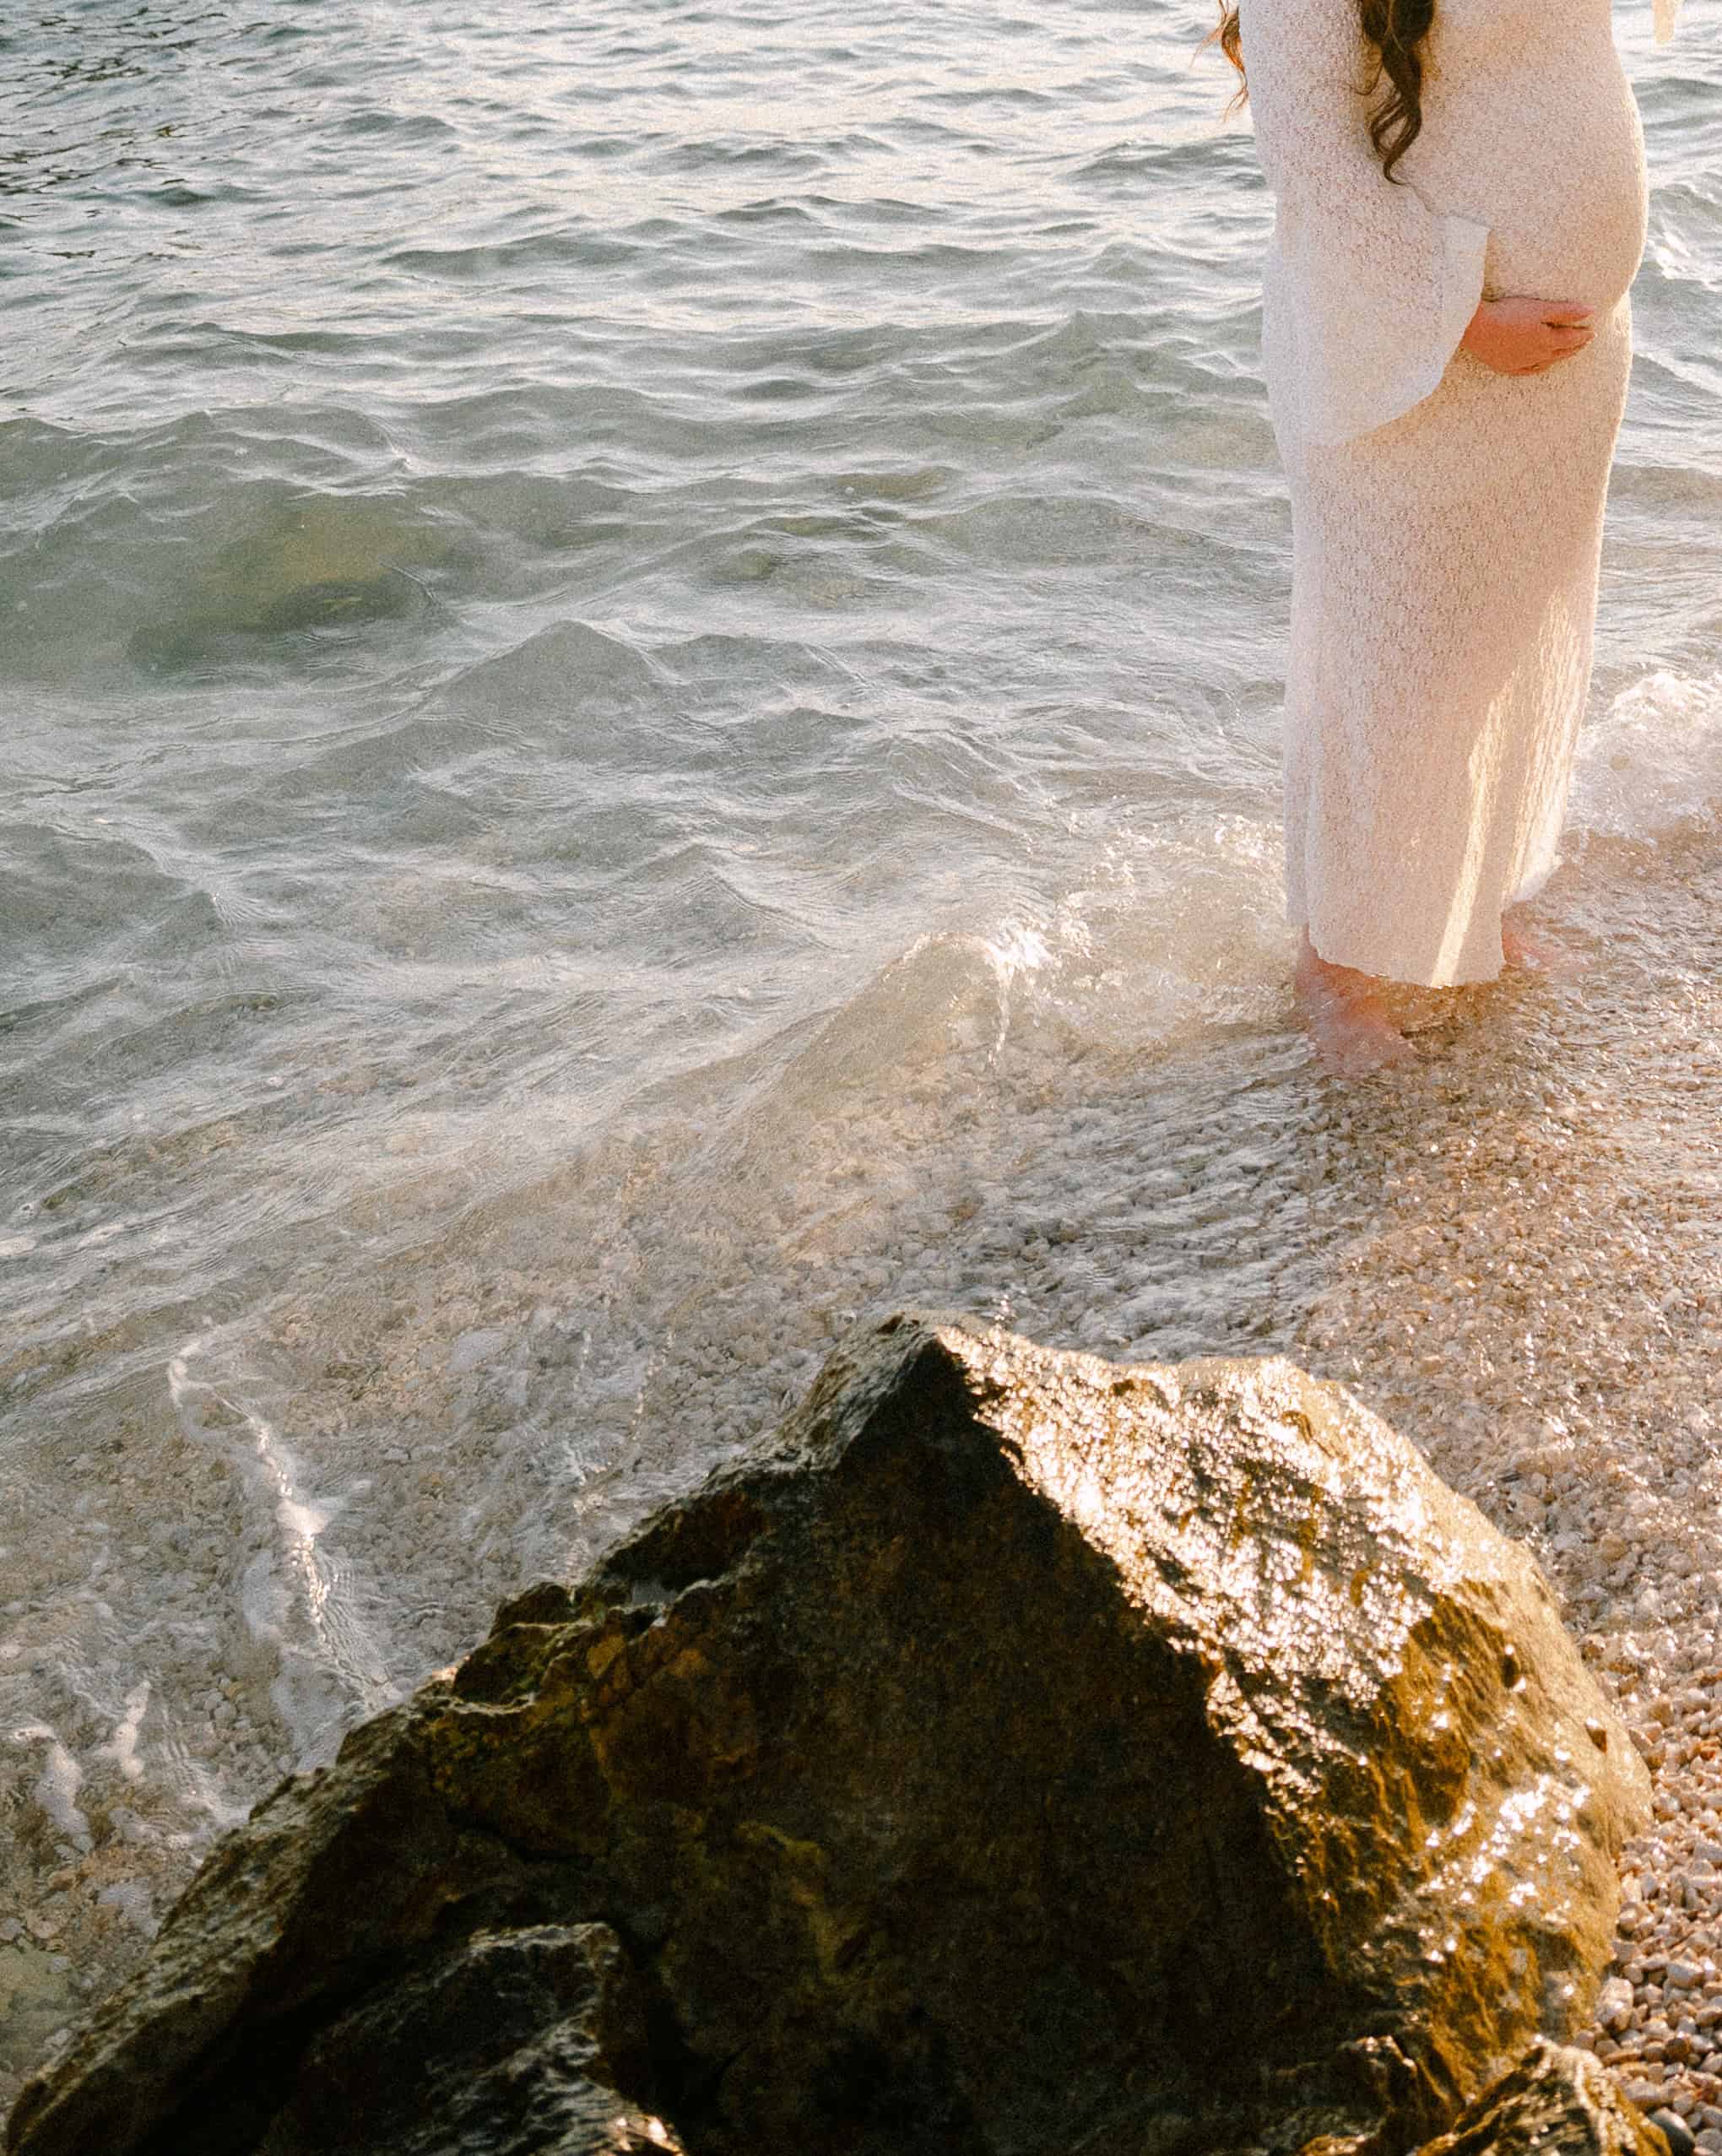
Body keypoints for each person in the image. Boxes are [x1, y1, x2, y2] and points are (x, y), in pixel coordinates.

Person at [1220, 0, 1682, 1074]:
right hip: (1407, 371)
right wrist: (1467, 321)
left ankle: (1460, 914)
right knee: (1391, 671)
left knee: (1495, 650)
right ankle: (1334, 961)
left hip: (1559, 374)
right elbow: (1316, 174)